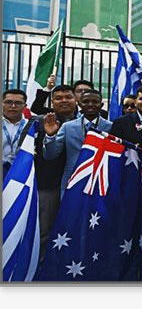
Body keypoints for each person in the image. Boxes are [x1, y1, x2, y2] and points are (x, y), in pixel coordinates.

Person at [31, 84, 79, 256]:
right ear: (52, 102)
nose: (64, 101)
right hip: (48, 185)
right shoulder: (39, 122)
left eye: (68, 97)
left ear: (76, 99)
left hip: (78, 185)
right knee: (44, 230)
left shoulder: (86, 121)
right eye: (58, 98)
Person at [42, 89, 113, 195]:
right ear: (79, 104)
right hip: (73, 181)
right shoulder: (68, 127)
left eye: (95, 102)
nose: (90, 104)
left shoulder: (111, 127)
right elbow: (50, 155)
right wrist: (51, 136)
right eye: (86, 101)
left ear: (101, 105)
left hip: (101, 182)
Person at [3, 89, 30, 176]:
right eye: (8, 102)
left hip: (22, 173)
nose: (13, 106)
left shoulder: (30, 126)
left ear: (25, 106)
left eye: (18, 103)